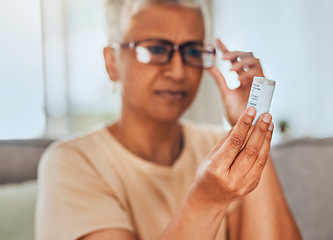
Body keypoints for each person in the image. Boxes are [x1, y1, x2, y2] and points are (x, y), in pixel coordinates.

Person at [36, 0, 302, 239]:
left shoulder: (220, 147)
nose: (177, 71)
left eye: (193, 51)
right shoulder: (72, 162)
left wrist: (251, 126)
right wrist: (206, 200)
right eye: (154, 49)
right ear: (112, 62)